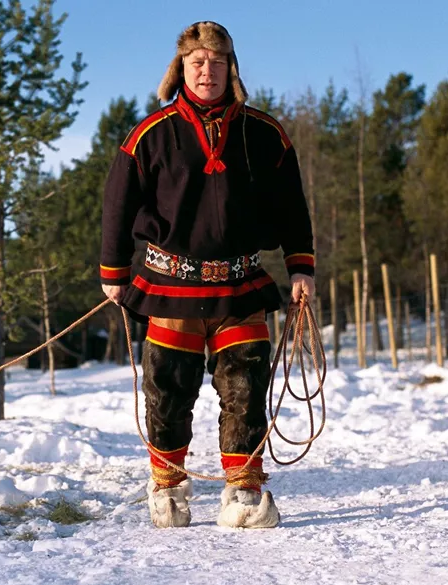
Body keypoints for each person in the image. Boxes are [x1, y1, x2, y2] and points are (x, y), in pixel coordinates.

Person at [99, 21, 315, 528]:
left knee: (245, 385)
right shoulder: (150, 134)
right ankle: (169, 488)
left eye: (217, 63)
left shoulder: (264, 134)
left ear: (231, 70)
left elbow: (292, 206)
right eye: (197, 62)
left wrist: (301, 266)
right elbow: (117, 202)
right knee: (168, 389)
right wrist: (114, 269)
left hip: (240, 283)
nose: (207, 71)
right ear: (181, 69)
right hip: (170, 286)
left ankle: (243, 491)